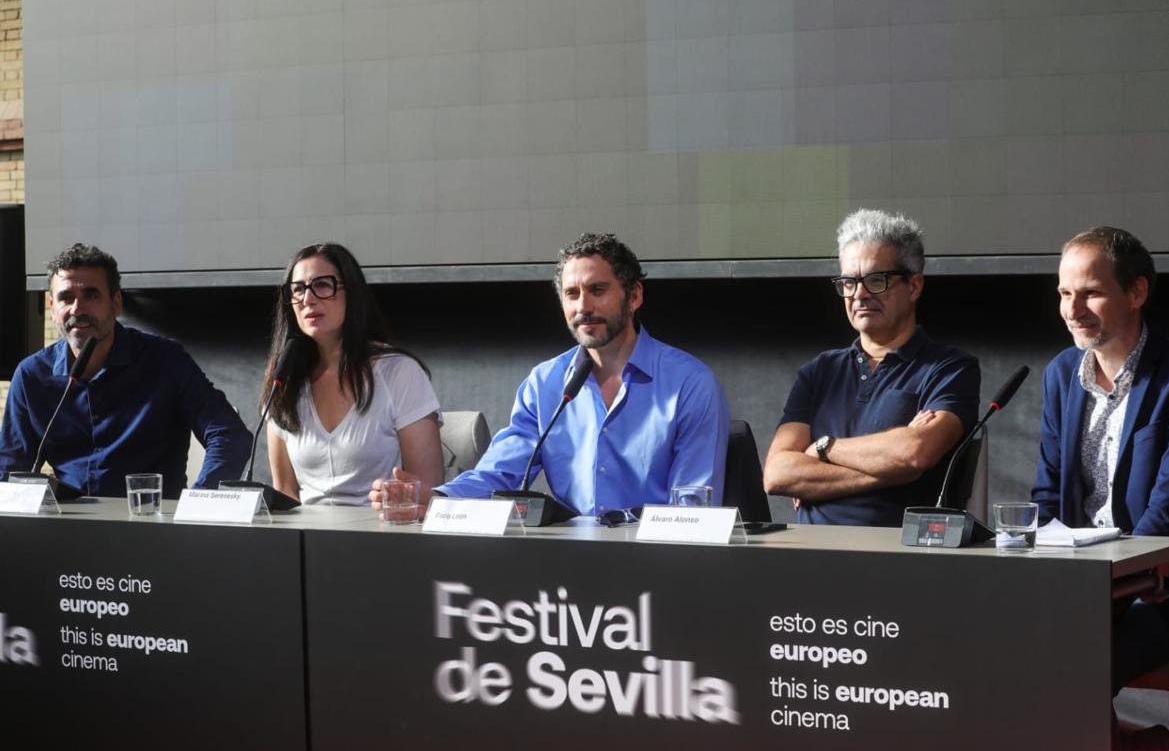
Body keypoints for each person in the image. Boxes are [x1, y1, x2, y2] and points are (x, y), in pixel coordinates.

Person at [376, 233, 729, 519]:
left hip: (658, 565)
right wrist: (434, 499)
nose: (583, 307)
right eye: (571, 294)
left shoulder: (690, 384)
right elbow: (501, 473)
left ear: (634, 295)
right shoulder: (545, 384)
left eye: (597, 290)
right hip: (565, 570)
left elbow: (693, 510)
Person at [1032, 226, 1169, 694]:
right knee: (1000, 646)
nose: (1072, 310)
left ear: (1137, 291)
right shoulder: (1062, 374)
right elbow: (1047, 495)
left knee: (1072, 668)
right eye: (1064, 292)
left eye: (1091, 293)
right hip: (1078, 589)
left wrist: (1101, 590)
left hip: (1164, 597)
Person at [763, 209, 980, 525]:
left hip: (899, 557)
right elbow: (777, 474)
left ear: (914, 286)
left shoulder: (950, 369)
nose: (860, 294)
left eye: (877, 280)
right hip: (811, 556)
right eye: (849, 282)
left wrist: (823, 448)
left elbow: (915, 452)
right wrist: (893, 474)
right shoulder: (819, 371)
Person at [0, 243, 251, 498]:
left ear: (116, 303)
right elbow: (10, 469)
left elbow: (229, 436)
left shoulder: (166, 360)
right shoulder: (31, 375)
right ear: (52, 307)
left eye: (91, 295)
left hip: (152, 525)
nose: (77, 309)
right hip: (68, 525)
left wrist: (199, 502)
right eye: (66, 298)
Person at [264, 242, 443, 506]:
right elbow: (285, 493)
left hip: (382, 536)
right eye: (298, 289)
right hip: (306, 541)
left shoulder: (400, 373)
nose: (307, 299)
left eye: (323, 285)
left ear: (353, 293)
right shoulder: (285, 380)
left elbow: (427, 492)